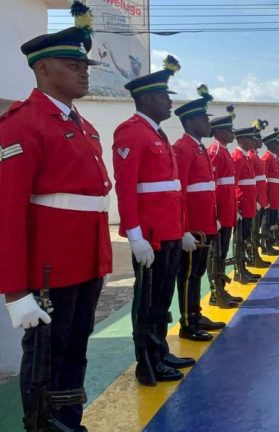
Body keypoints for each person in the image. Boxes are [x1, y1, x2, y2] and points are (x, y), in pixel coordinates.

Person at [1, 5, 111, 428]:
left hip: (86, 262)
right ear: (43, 68)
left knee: (75, 350)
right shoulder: (22, 124)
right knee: (46, 354)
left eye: (85, 65)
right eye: (73, 64)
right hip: (49, 270)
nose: (84, 72)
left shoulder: (83, 126)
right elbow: (6, 213)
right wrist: (14, 292)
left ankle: (68, 421)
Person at [114, 54, 196, 385]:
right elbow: (126, 187)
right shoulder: (132, 133)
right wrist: (134, 235)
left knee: (161, 298)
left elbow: (173, 191)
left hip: (170, 232)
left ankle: (160, 350)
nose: (169, 103)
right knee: (147, 301)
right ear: (146, 98)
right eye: (164, 97)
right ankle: (146, 361)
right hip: (151, 235)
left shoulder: (157, 134)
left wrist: (183, 229)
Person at [171, 84, 227, 342]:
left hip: (205, 224)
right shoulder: (182, 148)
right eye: (204, 119)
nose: (208, 123)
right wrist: (182, 228)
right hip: (193, 226)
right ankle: (186, 321)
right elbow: (179, 190)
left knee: (199, 273)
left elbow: (207, 188)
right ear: (191, 121)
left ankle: (196, 313)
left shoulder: (200, 148)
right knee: (188, 274)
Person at [207, 106, 245, 306]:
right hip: (220, 213)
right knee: (216, 252)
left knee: (222, 253)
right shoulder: (214, 151)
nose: (232, 134)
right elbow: (212, 187)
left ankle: (221, 288)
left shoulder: (224, 151)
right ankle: (216, 292)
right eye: (229, 130)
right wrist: (216, 215)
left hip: (228, 210)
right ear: (220, 132)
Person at [231, 126, 261, 283]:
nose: (253, 141)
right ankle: (239, 270)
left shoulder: (246, 157)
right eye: (250, 138)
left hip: (249, 205)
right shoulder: (236, 157)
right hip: (242, 206)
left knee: (246, 238)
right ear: (242, 140)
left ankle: (243, 268)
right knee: (240, 239)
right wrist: (236, 206)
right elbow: (234, 184)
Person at [247, 120, 271, 268]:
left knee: (255, 230)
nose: (261, 141)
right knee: (252, 231)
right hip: (253, 200)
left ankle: (255, 256)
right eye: (258, 138)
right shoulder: (250, 156)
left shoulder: (254, 155)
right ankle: (253, 257)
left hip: (259, 198)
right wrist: (256, 200)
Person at [261, 129, 279, 252]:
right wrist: (266, 198)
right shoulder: (267, 158)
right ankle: (267, 245)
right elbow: (263, 180)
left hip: (275, 195)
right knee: (267, 222)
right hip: (270, 196)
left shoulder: (274, 158)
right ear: (271, 144)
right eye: (277, 143)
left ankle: (271, 243)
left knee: (273, 220)